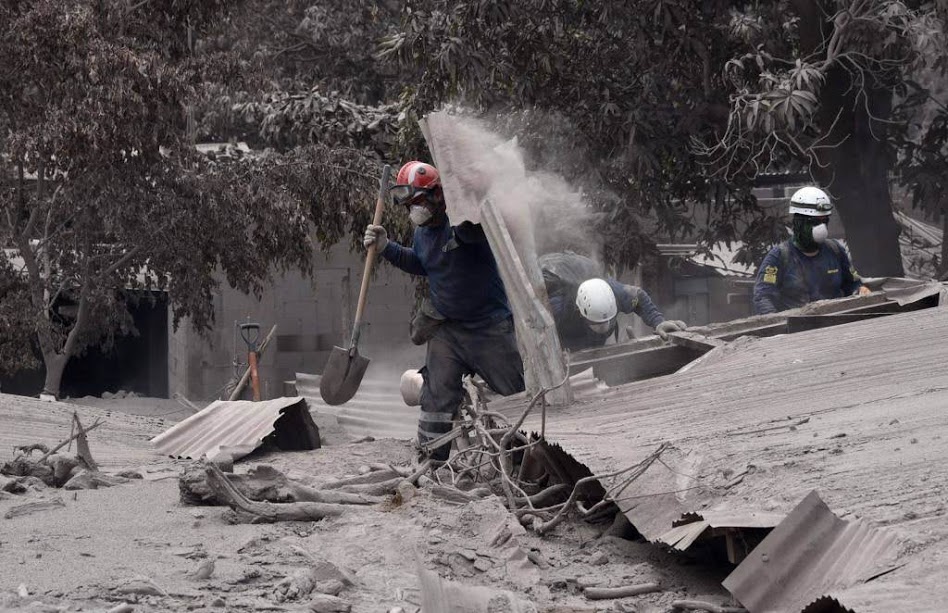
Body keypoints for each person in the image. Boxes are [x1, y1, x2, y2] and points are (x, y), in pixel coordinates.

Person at [363, 161, 525, 462]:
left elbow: (476, 229)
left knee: (513, 396)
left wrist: (465, 210)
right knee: (436, 398)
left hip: (488, 327)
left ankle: (523, 460)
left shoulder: (464, 225)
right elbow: (423, 264)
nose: (415, 210)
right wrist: (387, 247)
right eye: (410, 204)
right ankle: (431, 462)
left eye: (419, 201)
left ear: (438, 194)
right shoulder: (423, 233)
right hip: (448, 330)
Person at [753, 186, 870, 314]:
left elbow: (851, 284)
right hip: (797, 327)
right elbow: (764, 296)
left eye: (824, 221)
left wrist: (860, 290)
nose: (821, 228)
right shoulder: (779, 257)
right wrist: (776, 325)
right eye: (814, 222)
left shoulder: (835, 251)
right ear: (798, 222)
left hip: (836, 323)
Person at [539, 251, 687, 352]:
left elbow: (639, 297)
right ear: (580, 311)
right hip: (568, 338)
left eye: (606, 322)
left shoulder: (617, 293)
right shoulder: (556, 308)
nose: (603, 327)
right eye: (596, 323)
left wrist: (658, 321)